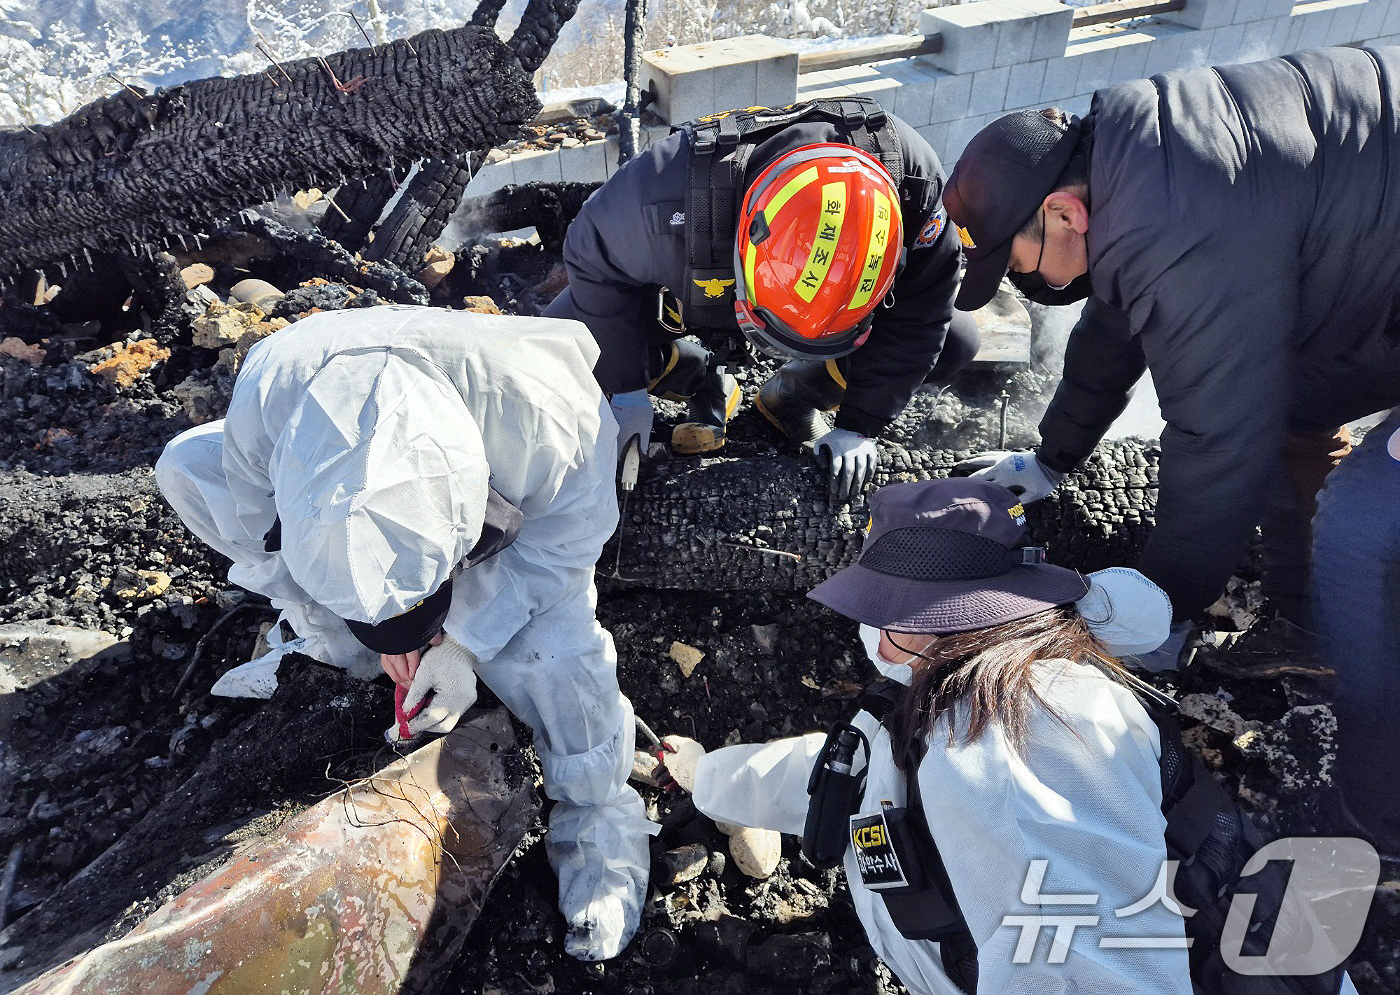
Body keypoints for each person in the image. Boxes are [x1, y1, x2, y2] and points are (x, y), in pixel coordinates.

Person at [939, 48, 1400, 849]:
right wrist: (1050, 458)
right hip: (1371, 261)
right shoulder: (1136, 167)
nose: (1026, 287)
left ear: (1063, 214)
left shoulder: (1181, 216)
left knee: (1370, 527)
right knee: (1288, 400)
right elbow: (1115, 328)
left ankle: (1374, 809)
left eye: (1018, 267)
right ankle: (1301, 621)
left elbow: (1218, 438)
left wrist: (1164, 607)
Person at [687, 479, 1362, 994]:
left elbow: (1086, 972)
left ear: (925, 624)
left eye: (879, 611)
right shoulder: (987, 676)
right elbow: (865, 770)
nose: (870, 632)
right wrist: (704, 776)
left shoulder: (1012, 747)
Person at [154, 305, 656, 961]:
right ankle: (332, 643)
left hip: (519, 522)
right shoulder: (271, 386)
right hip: (316, 444)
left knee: (559, 654)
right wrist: (350, 622)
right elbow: (256, 520)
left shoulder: (548, 413)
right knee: (185, 465)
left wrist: (465, 641)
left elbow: (565, 547)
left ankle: (600, 821)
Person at [546, 96, 980, 501]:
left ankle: (795, 394)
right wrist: (626, 389)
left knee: (955, 340)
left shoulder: (912, 184)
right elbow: (592, 266)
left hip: (746, 280)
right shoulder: (654, 199)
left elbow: (924, 314)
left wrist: (860, 425)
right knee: (564, 347)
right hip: (685, 291)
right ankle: (693, 373)